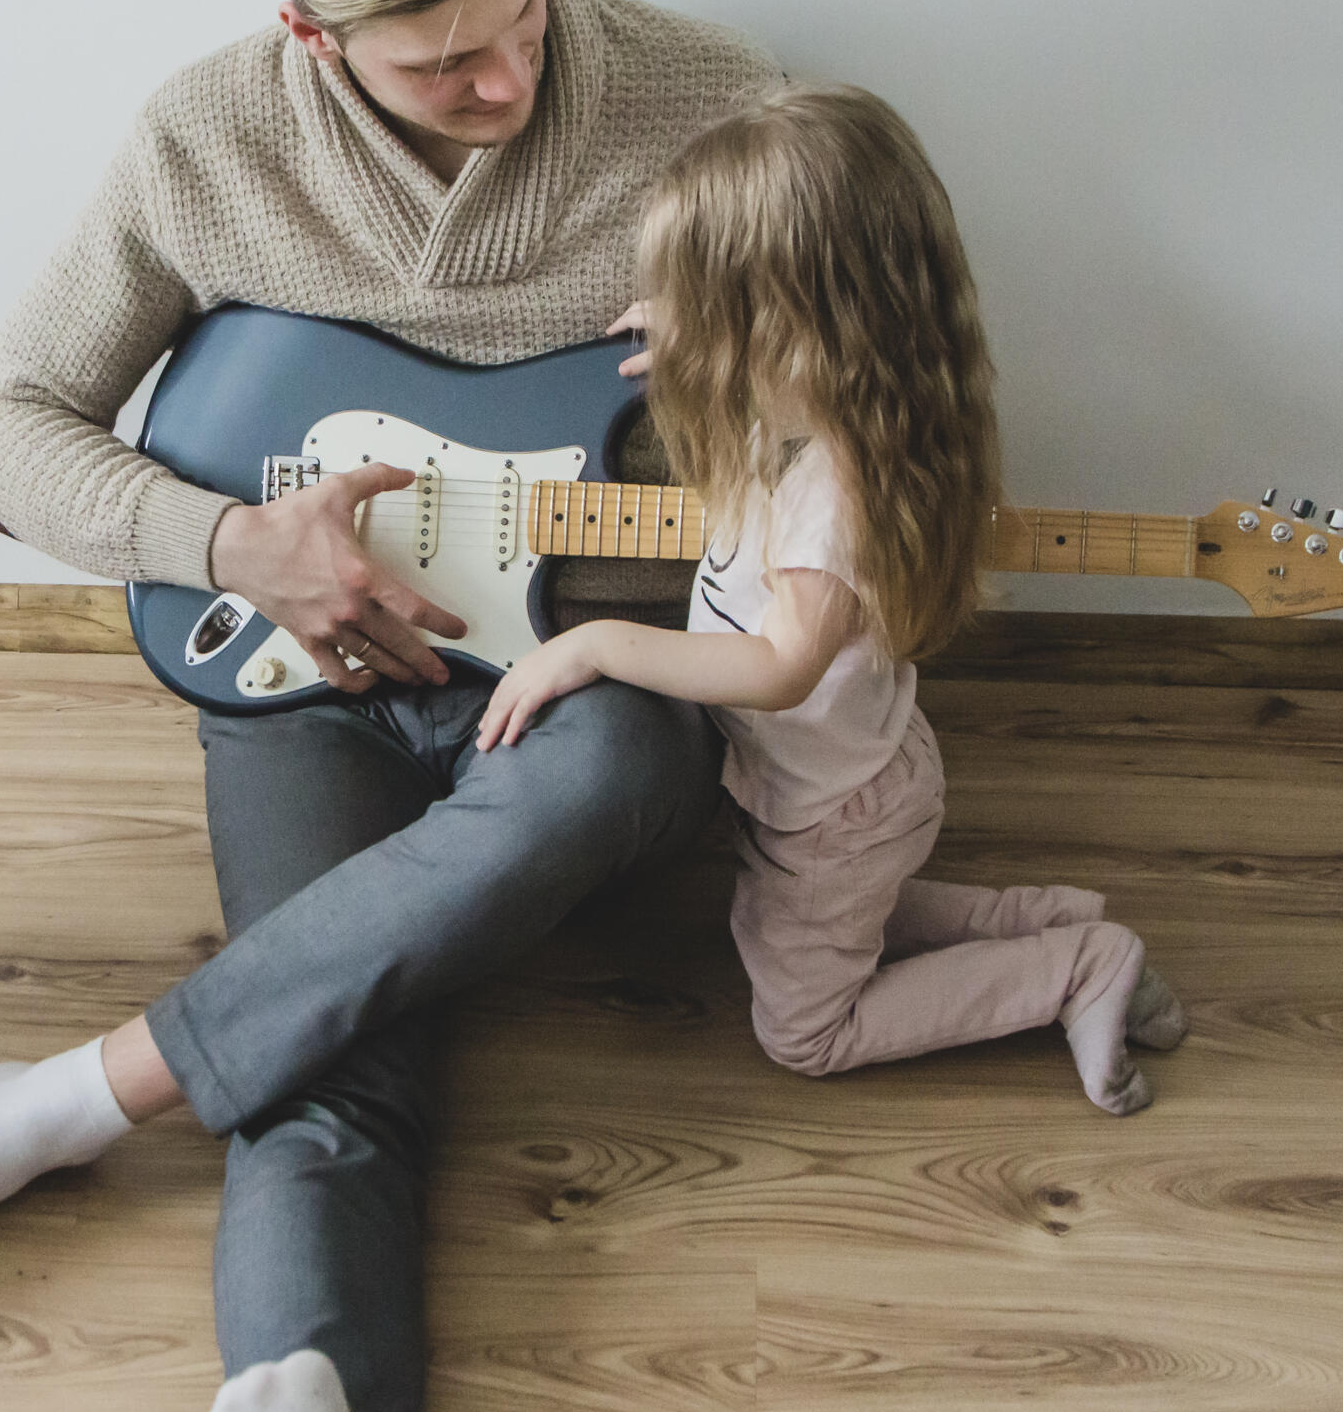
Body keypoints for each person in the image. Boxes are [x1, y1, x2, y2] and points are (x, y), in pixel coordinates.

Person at [0, 0, 774, 1412]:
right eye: (442, 60)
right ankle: (292, 1386)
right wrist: (239, 547)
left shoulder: (715, 101)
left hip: (588, 669)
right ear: (313, 35)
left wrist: (771, 365)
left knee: (619, 772)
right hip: (294, 669)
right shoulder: (211, 135)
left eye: (520, 13)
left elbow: (862, 405)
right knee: (329, 1036)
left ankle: (61, 1103)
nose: (504, 76)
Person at [473, 84, 1189, 1114]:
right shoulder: (853, 408)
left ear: (790, 326)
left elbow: (779, 666)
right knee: (838, 914)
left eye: (714, 318)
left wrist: (593, 647)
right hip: (855, 782)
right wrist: (689, 321)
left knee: (806, 1028)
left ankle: (1074, 970)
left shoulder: (833, 495)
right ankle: (1042, 918)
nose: (695, 345)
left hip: (834, 814)